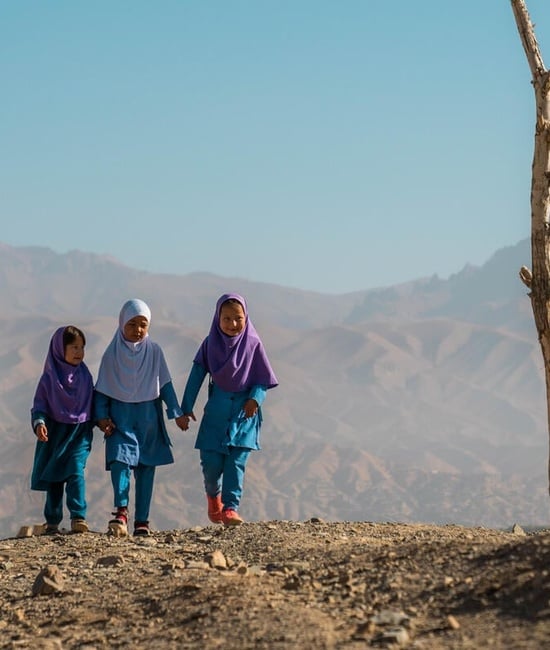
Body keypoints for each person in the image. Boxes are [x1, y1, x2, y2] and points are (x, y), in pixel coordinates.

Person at [180, 293, 278, 526]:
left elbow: (262, 379)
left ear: (246, 318)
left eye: (238, 318)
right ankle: (214, 497)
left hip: (244, 414)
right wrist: (185, 409)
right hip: (216, 413)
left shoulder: (253, 344)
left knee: (236, 463)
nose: (233, 324)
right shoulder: (209, 344)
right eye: (227, 319)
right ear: (217, 319)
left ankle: (230, 508)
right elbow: (196, 377)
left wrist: (255, 398)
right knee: (211, 465)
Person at [94, 299, 187, 537]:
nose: (137, 330)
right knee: (120, 463)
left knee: (146, 469)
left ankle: (142, 521)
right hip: (120, 420)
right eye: (132, 324)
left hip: (148, 420)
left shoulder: (154, 352)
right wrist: (101, 417)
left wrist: (176, 413)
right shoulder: (111, 355)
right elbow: (103, 390)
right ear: (122, 324)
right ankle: (122, 512)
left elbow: (165, 384)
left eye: (142, 324)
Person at [31, 325, 95, 534]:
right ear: (60, 349)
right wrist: (39, 423)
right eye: (74, 347)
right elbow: (39, 406)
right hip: (55, 434)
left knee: (76, 471)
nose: (79, 352)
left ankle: (78, 517)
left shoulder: (85, 376)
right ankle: (52, 522)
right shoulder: (49, 379)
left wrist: (102, 420)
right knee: (55, 478)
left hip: (79, 433)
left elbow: (92, 403)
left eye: (82, 347)